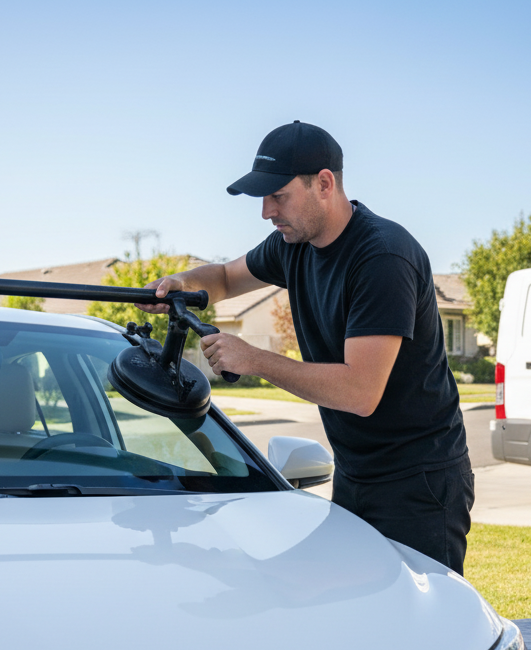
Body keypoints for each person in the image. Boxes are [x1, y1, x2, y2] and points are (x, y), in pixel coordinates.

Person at [138, 121, 473, 573]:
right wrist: (179, 285)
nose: (266, 212)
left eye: (278, 196)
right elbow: (221, 278)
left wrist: (253, 359)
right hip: (357, 473)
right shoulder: (292, 245)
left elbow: (360, 391)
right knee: (348, 615)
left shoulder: (382, 257)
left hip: (420, 482)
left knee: (422, 624)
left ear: (324, 184)